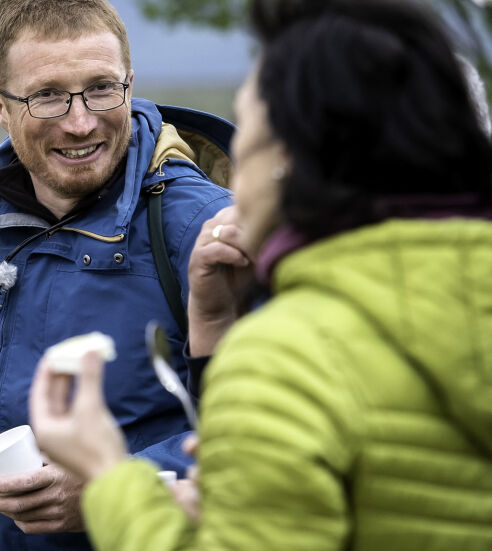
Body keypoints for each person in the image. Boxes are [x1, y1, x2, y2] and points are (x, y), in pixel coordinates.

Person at [28, 0, 492, 549]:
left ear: (288, 163)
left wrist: (108, 474)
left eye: (245, 133)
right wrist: (216, 327)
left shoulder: (289, 357)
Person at [0, 0, 234, 548]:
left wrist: (111, 488)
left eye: (101, 87)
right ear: (0, 108)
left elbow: (264, 435)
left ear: (129, 82)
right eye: (47, 95)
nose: (80, 121)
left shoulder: (203, 226)